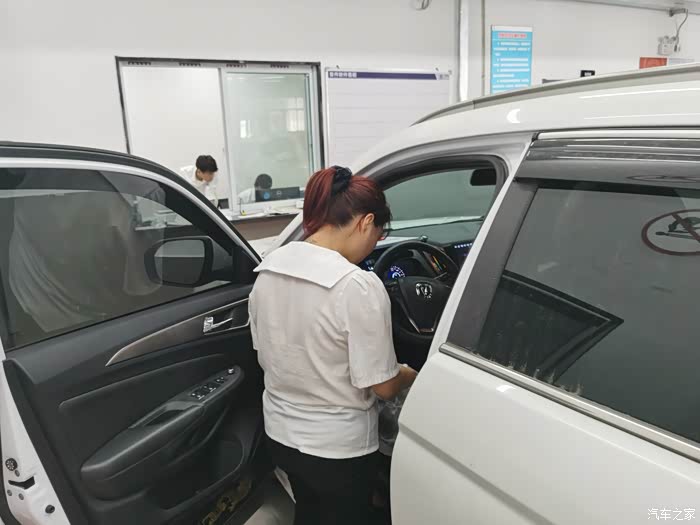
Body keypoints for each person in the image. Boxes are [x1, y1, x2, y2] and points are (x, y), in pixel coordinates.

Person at [249, 166, 418, 525]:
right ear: (366, 222)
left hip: (280, 434)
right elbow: (383, 386)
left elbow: (267, 352)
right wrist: (409, 374)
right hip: (338, 450)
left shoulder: (268, 270)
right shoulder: (356, 285)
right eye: (379, 234)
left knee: (309, 512)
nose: (374, 244)